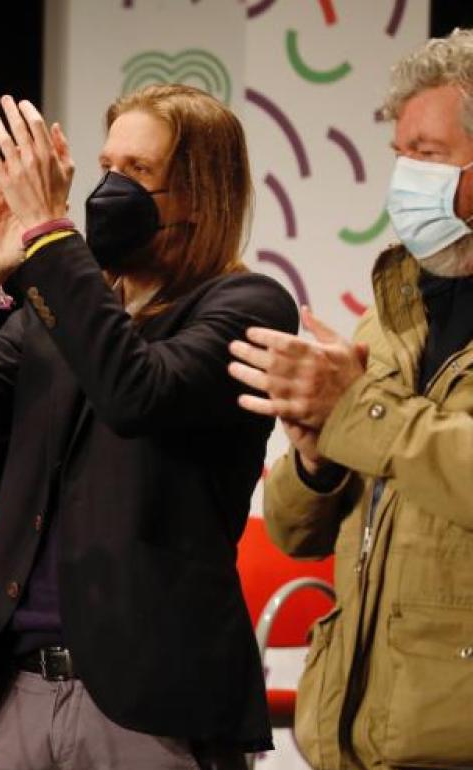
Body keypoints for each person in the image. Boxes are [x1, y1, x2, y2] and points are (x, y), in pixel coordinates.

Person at [0, 86, 299, 769]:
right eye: (105, 165)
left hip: (151, 703)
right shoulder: (59, 311)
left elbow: (135, 393)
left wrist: (49, 235)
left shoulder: (246, 305)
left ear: (197, 195)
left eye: (137, 170)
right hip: (20, 687)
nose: (107, 188)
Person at [228, 29, 473, 770]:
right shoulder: (394, 309)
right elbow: (293, 534)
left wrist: (358, 411)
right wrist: (313, 456)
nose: (405, 177)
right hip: (356, 734)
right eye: (400, 154)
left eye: (426, 156)